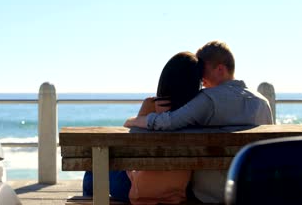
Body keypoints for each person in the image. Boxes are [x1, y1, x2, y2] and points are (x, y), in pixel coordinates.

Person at [124, 40, 274, 203]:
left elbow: (169, 122)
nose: (201, 81)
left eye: (203, 74)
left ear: (220, 69)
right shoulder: (262, 102)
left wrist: (134, 120)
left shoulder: (208, 99)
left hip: (211, 195)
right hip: (253, 192)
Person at [82, 51, 203, 204]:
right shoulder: (199, 112)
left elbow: (130, 144)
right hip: (178, 193)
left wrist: (133, 120)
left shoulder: (151, 105)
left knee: (94, 166)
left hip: (134, 189)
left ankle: (88, 199)